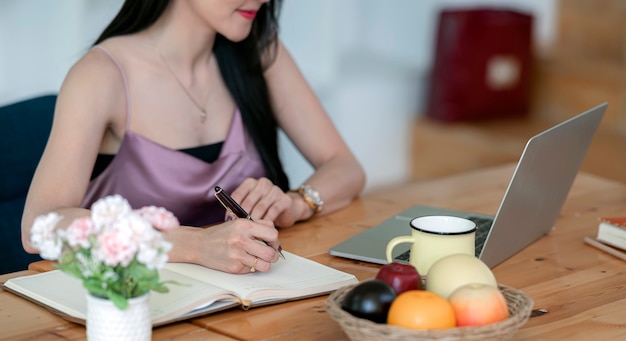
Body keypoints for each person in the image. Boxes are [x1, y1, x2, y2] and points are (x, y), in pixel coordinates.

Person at [21, 0, 365, 274]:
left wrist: (295, 204)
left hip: (242, 295)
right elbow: (40, 225)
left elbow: (346, 168)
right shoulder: (101, 75)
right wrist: (195, 245)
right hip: (130, 308)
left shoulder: (259, 50)